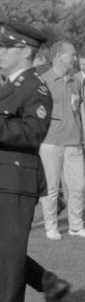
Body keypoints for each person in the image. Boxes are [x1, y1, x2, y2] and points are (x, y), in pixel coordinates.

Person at [0, 22, 72, 302]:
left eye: (5, 46)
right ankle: (50, 284)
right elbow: (0, 131)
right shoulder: (11, 86)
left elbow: (32, 133)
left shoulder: (34, 88)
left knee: (9, 248)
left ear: (25, 51)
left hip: (17, 178)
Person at [37, 41, 85, 239]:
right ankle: (51, 227)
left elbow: (80, 107)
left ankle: (76, 225)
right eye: (72, 55)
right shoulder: (44, 80)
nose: (75, 58)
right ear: (58, 56)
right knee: (51, 188)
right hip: (51, 141)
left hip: (74, 142)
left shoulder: (76, 81)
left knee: (78, 185)